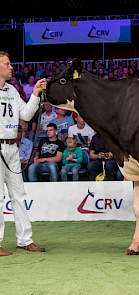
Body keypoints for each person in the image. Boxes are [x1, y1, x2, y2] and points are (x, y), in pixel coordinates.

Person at [0, 51, 46, 256]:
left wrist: (35, 93)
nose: (11, 67)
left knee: (18, 194)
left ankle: (25, 240)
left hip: (12, 148)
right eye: (7, 64)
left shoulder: (11, 90)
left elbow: (26, 114)